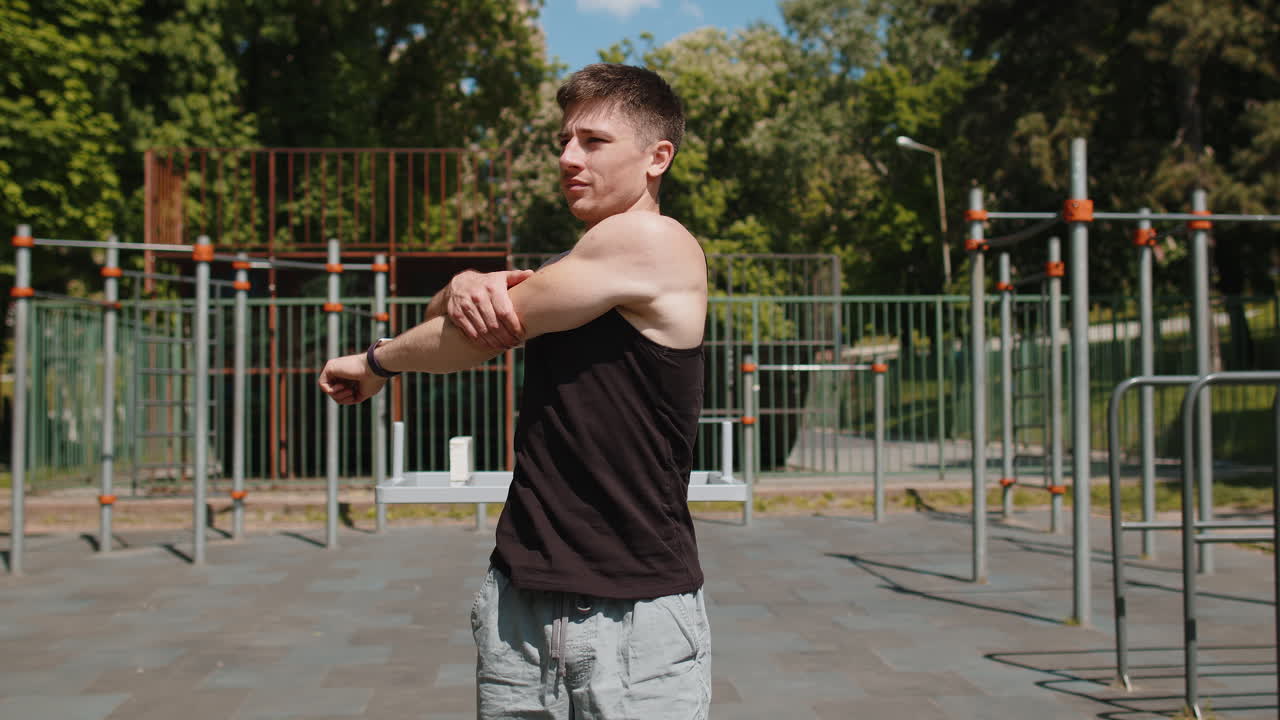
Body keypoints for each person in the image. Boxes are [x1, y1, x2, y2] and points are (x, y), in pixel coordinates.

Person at [318, 63, 711, 719]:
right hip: (520, 608)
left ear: (657, 157)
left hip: (634, 620)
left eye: (592, 141)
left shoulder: (654, 243)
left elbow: (480, 336)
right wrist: (467, 280)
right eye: (563, 140)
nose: (566, 157)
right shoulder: (579, 268)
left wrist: (374, 362)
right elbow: (465, 314)